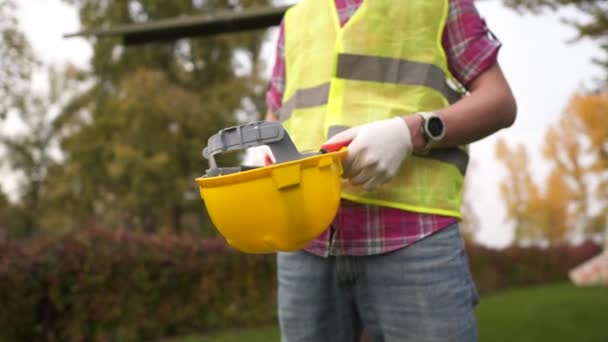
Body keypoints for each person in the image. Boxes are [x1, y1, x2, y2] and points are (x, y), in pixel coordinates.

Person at [263, 0, 517, 341]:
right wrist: (265, 160)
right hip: (305, 241)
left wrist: (412, 131)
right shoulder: (294, 19)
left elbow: (499, 102)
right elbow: (275, 115)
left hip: (415, 237)